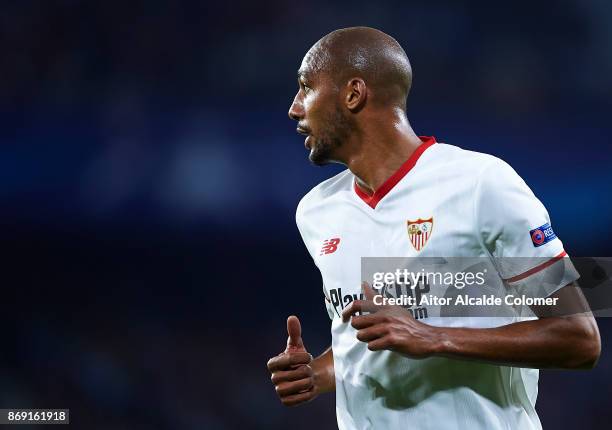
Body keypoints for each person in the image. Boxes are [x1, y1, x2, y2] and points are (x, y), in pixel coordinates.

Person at [266, 27, 600, 430]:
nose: (295, 108)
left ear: (353, 94)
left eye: (305, 87)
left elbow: (579, 338)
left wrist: (433, 337)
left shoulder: (480, 184)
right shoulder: (317, 211)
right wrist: (321, 372)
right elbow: (380, 339)